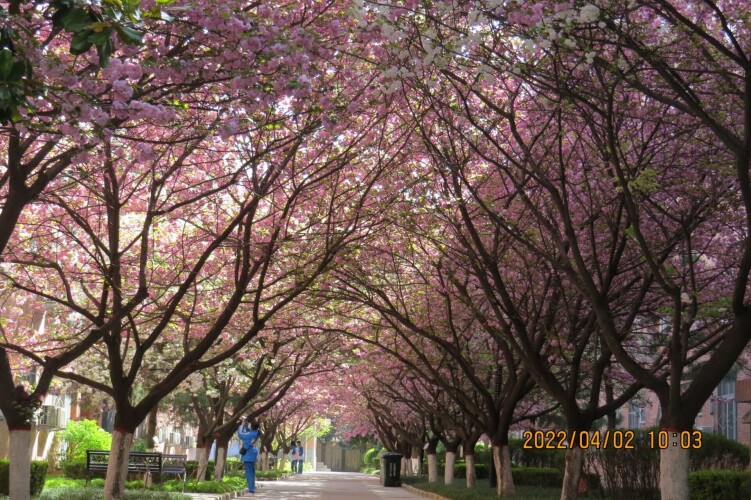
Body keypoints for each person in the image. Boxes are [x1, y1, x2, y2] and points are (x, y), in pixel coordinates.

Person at [237, 417, 261, 494]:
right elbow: (249, 428)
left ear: (252, 426)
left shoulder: (249, 434)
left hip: (248, 455)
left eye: (250, 424)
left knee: (249, 472)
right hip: (253, 454)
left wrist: (241, 426)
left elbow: (241, 434)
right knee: (252, 471)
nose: (249, 425)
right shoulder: (256, 432)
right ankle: (252, 487)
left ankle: (251, 489)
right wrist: (245, 422)